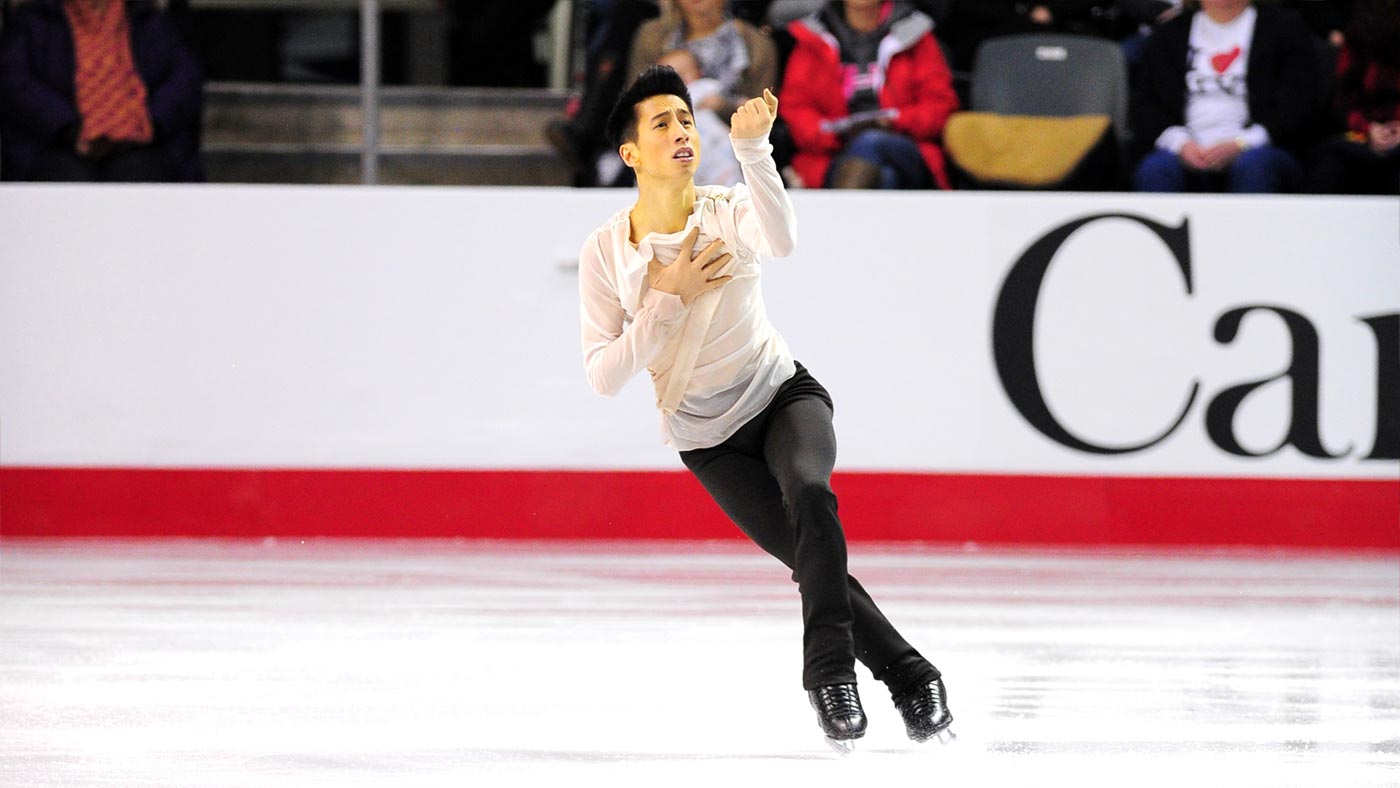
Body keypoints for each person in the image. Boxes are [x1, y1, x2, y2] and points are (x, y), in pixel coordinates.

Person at [576, 64, 954, 750]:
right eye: (662, 123)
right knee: (811, 560)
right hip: (706, 440)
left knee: (811, 494)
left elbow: (781, 240)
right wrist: (668, 297)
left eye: (686, 118)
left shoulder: (724, 209)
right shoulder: (606, 253)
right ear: (630, 153)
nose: (682, 131)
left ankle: (829, 677)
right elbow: (604, 375)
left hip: (781, 395)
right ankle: (912, 675)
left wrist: (754, 151)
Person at [1130, 0, 1323, 193]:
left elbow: (1298, 103)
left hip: (1261, 149)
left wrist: (1242, 143)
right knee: (1156, 169)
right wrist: (1180, 144)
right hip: (1187, 150)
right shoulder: (1169, 34)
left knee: (1254, 166)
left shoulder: (1284, 28)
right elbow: (1146, 106)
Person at [0, 0, 204, 183]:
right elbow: (16, 82)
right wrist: (67, 129)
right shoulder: (35, 21)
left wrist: (148, 123)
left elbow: (184, 79)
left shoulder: (150, 20)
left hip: (144, 144)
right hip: (55, 146)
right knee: (67, 182)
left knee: (139, 178)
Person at [780, 0, 958, 189]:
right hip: (833, 154)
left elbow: (939, 106)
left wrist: (894, 121)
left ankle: (841, 207)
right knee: (885, 177)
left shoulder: (914, 33)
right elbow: (796, 109)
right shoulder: (813, 36)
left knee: (870, 141)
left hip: (904, 146)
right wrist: (836, 133)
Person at [1305, 0, 1400, 195]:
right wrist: (1368, 128)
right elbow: (1342, 99)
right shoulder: (1359, 35)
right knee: (1329, 167)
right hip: (1362, 133)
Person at [656, 47, 743, 186]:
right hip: (680, 149)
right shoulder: (656, 101)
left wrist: (729, 103)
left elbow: (732, 102)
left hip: (714, 145)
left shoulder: (704, 87)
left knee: (726, 178)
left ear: (698, 73)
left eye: (682, 73)